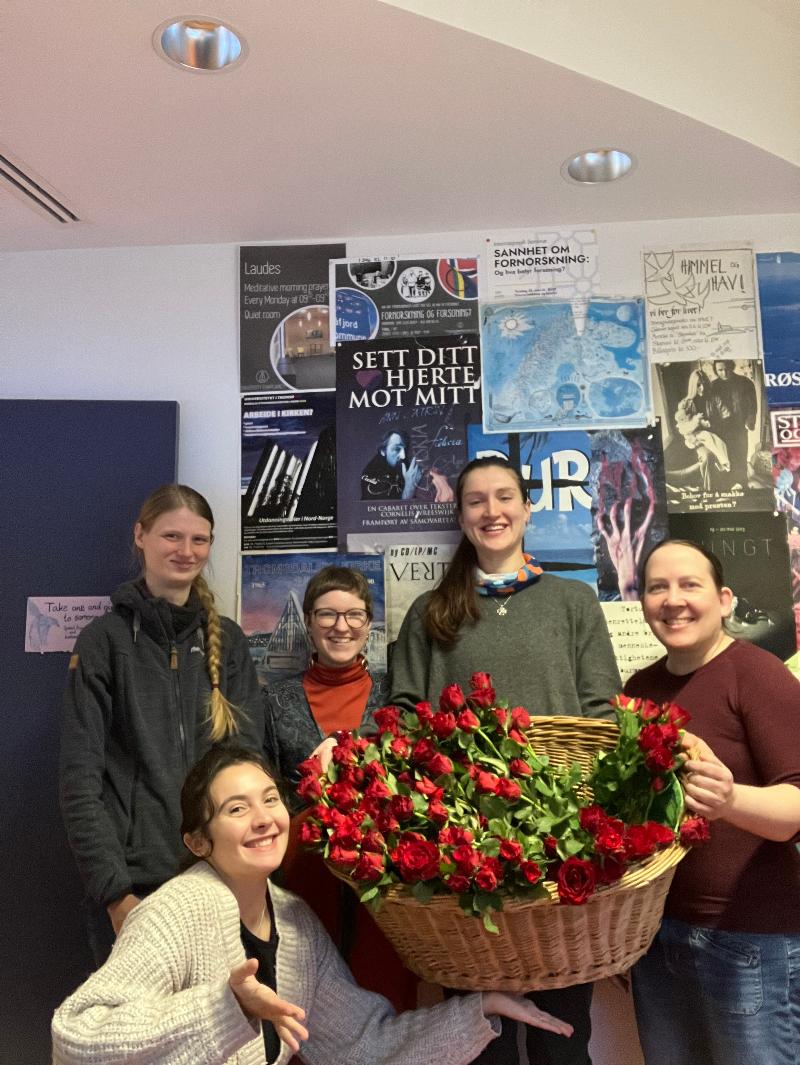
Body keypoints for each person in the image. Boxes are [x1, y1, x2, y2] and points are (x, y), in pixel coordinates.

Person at [51, 746, 574, 1065]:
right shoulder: (173, 912)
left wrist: (480, 1007)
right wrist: (224, 1008)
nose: (264, 819)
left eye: (270, 799)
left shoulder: (294, 920)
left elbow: (362, 1048)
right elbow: (77, 1039)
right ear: (198, 841)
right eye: (236, 809)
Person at [391, 456, 622, 1065]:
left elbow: (601, 714)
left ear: (526, 507)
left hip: (559, 846)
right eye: (476, 501)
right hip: (464, 853)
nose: (491, 511)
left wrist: (587, 814)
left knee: (562, 1037)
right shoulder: (429, 611)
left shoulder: (573, 602)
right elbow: (403, 714)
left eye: (504, 497)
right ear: (461, 516)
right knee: (480, 1039)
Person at [60, 483, 267, 965]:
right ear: (141, 536)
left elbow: (249, 767)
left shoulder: (228, 642)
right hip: (134, 888)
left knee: (227, 1013)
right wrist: (115, 894)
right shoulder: (103, 643)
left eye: (199, 539)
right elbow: (79, 782)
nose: (186, 551)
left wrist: (246, 875)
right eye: (172, 536)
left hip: (220, 880)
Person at [623, 539, 800, 1065]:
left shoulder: (758, 673)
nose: (673, 600)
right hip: (656, 937)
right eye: (658, 587)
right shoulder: (639, 690)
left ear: (723, 600)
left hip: (749, 943)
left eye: (689, 584)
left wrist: (729, 800)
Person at [265, 564, 416, 1012]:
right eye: (327, 614)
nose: (341, 626)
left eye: (354, 615)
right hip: (303, 877)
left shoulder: (396, 697)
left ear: (369, 624)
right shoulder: (276, 700)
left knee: (384, 994)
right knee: (307, 1006)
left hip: (383, 881)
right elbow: (267, 785)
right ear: (309, 623)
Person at [706, 360, 757, 490]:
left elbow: (753, 404)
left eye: (726, 369)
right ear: (716, 370)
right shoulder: (712, 386)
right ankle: (729, 484)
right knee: (726, 455)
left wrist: (749, 421)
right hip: (721, 427)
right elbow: (710, 408)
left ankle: (742, 483)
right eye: (720, 370)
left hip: (739, 425)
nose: (724, 373)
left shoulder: (745, 382)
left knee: (740, 453)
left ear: (731, 366)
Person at [360, 430, 421, 499]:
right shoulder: (371, 473)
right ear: (383, 451)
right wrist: (410, 487)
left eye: (405, 449)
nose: (403, 456)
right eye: (397, 449)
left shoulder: (403, 467)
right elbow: (387, 505)